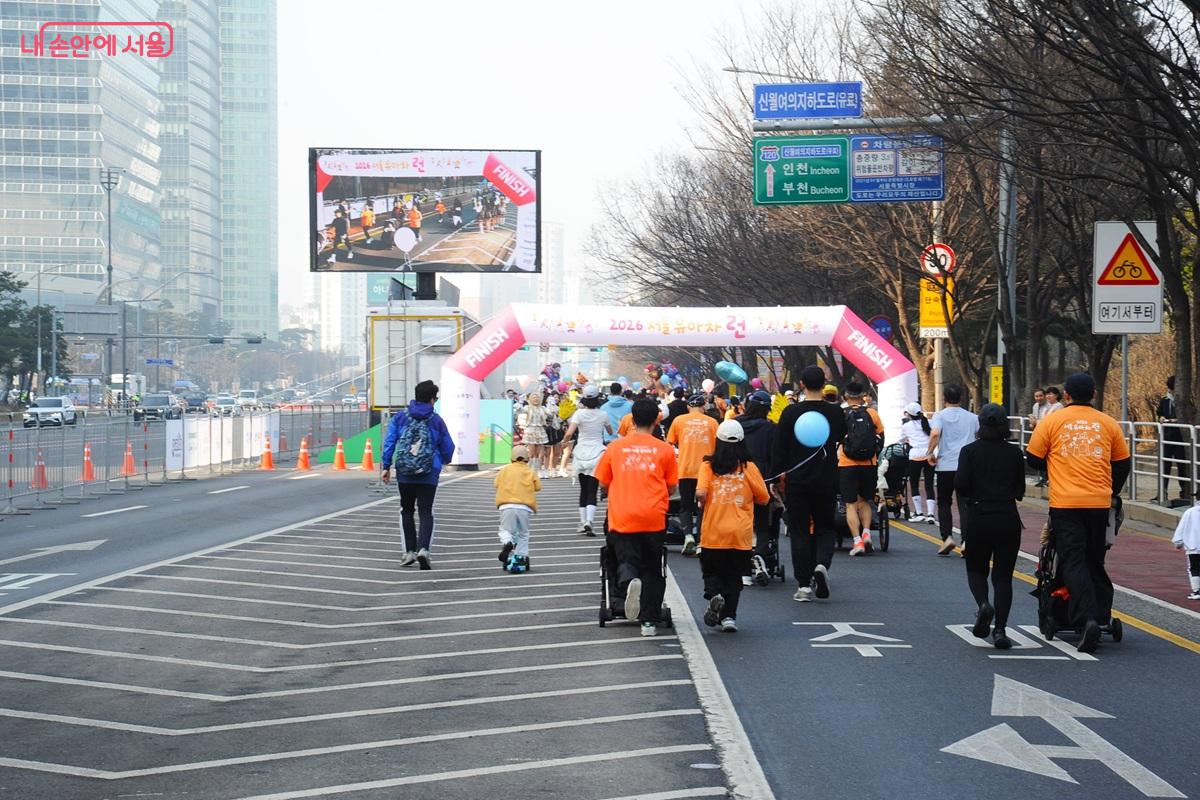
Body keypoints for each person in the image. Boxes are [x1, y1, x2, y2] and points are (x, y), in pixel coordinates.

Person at [1025, 373, 1132, 653]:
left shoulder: (1052, 421)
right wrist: (1111, 491)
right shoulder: (1108, 423)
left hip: (1066, 503)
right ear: (1094, 394)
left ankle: (1086, 620)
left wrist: (1055, 462)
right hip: (1099, 504)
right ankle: (1101, 613)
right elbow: (1123, 463)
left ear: (1066, 396)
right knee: (1094, 558)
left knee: (1072, 560)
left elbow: (1033, 458)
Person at [595, 399, 680, 637]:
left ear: (632, 420)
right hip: (653, 515)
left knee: (624, 558)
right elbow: (672, 486)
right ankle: (649, 622)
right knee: (652, 566)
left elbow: (603, 482)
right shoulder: (664, 449)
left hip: (622, 515)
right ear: (655, 421)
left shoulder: (615, 448)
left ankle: (630, 579)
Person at [955, 403, 1026, 650]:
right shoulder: (1014, 453)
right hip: (1007, 516)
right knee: (1003, 577)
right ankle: (1001, 630)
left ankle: (984, 604)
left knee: (976, 569)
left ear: (980, 424)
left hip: (979, 515)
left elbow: (960, 484)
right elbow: (1020, 490)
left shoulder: (969, 451)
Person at [774, 365, 846, 599]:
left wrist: (776, 476)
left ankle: (804, 585)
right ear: (824, 384)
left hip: (797, 480)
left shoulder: (791, 412)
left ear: (802, 384)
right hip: (827, 478)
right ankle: (822, 564)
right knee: (825, 527)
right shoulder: (835, 412)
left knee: (799, 530)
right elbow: (841, 436)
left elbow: (780, 447)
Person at [697, 420, 770, 632]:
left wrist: (702, 501)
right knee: (734, 576)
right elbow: (764, 498)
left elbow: (701, 492)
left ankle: (715, 594)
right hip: (740, 533)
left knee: (711, 571)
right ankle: (729, 617)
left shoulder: (708, 466)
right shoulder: (748, 467)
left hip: (714, 530)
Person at [381, 380, 457, 570]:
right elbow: (448, 446)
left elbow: (390, 441)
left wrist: (386, 465)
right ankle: (424, 549)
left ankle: (409, 551)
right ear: (432, 399)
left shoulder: (401, 417)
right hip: (428, 472)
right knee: (425, 511)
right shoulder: (436, 420)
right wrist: (443, 461)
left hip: (405, 472)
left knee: (406, 510)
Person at [928, 384, 979, 556]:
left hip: (945, 465)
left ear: (944, 398)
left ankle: (947, 537)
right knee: (965, 504)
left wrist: (930, 452)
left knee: (944, 502)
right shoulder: (972, 417)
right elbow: (979, 435)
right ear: (961, 398)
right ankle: (966, 541)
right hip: (967, 466)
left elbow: (935, 434)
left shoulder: (939, 416)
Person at [666, 393, 720, 556]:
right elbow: (719, 446)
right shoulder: (712, 422)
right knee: (704, 505)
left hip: (685, 469)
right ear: (703, 407)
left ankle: (688, 535)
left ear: (689, 407)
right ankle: (702, 540)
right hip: (707, 470)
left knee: (686, 505)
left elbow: (669, 443)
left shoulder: (678, 420)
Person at [736, 390, 780, 583]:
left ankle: (744, 570)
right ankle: (760, 555)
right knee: (763, 524)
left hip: (737, 478)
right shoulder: (771, 429)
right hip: (763, 478)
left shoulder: (735, 425)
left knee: (741, 523)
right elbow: (776, 457)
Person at [839, 381, 884, 557]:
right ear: (863, 396)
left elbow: (836, 438)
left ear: (845, 396)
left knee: (850, 504)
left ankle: (857, 541)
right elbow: (881, 437)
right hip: (869, 464)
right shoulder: (872, 413)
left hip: (847, 464)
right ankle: (866, 533)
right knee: (865, 500)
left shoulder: (842, 414)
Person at [563, 384, 612, 536]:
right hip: (597, 453)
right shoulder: (603, 414)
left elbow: (569, 433)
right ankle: (589, 521)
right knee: (593, 489)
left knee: (583, 489)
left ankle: (583, 521)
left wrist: (564, 442)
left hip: (581, 453)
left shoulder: (578, 414)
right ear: (598, 398)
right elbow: (610, 431)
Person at [494, 444, 542, 573]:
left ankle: (507, 542)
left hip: (506, 505)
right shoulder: (530, 471)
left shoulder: (504, 470)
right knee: (523, 533)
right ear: (527, 459)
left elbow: (496, 484)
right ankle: (520, 556)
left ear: (511, 458)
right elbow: (538, 487)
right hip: (524, 507)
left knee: (506, 530)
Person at [1158, 375, 1193, 507]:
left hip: (1180, 437)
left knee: (1181, 465)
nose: (1170, 391)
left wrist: (1177, 420)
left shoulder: (1183, 401)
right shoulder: (1164, 400)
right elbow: (1159, 413)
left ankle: (1184, 491)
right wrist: (1161, 418)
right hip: (1166, 437)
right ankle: (1162, 491)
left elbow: (1188, 415)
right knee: (1165, 465)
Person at [900, 402, 936, 523]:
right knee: (929, 485)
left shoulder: (907, 426)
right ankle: (931, 514)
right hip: (929, 455)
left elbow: (901, 440)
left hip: (915, 456)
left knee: (914, 485)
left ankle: (919, 513)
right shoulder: (929, 422)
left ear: (909, 414)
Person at [1172, 499, 1200, 600]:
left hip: (1193, 545)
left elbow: (1181, 527)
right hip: (1193, 545)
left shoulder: (1190, 512)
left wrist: (1178, 542)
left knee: (1194, 568)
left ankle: (1197, 590)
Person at [520, 391, 550, 477]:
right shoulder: (528, 408)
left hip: (540, 430)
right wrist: (521, 402)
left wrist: (551, 405)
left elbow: (550, 413)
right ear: (530, 399)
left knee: (538, 453)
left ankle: (536, 471)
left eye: (537, 397)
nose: (536, 399)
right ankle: (529, 470)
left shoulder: (542, 408)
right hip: (531, 430)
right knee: (531, 453)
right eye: (533, 397)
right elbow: (520, 410)